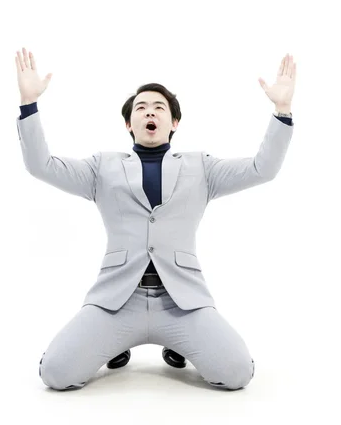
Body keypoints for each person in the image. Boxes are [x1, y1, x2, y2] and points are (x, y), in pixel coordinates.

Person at [15, 47, 296, 390]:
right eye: (141, 108)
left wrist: (282, 109)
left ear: (174, 122)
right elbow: (40, 166)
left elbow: (261, 168)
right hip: (117, 300)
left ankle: (177, 344)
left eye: (159, 107)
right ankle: (116, 345)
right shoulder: (101, 167)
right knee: (55, 375)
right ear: (128, 123)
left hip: (181, 302)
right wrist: (29, 104)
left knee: (237, 373)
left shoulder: (202, 168)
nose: (150, 112)